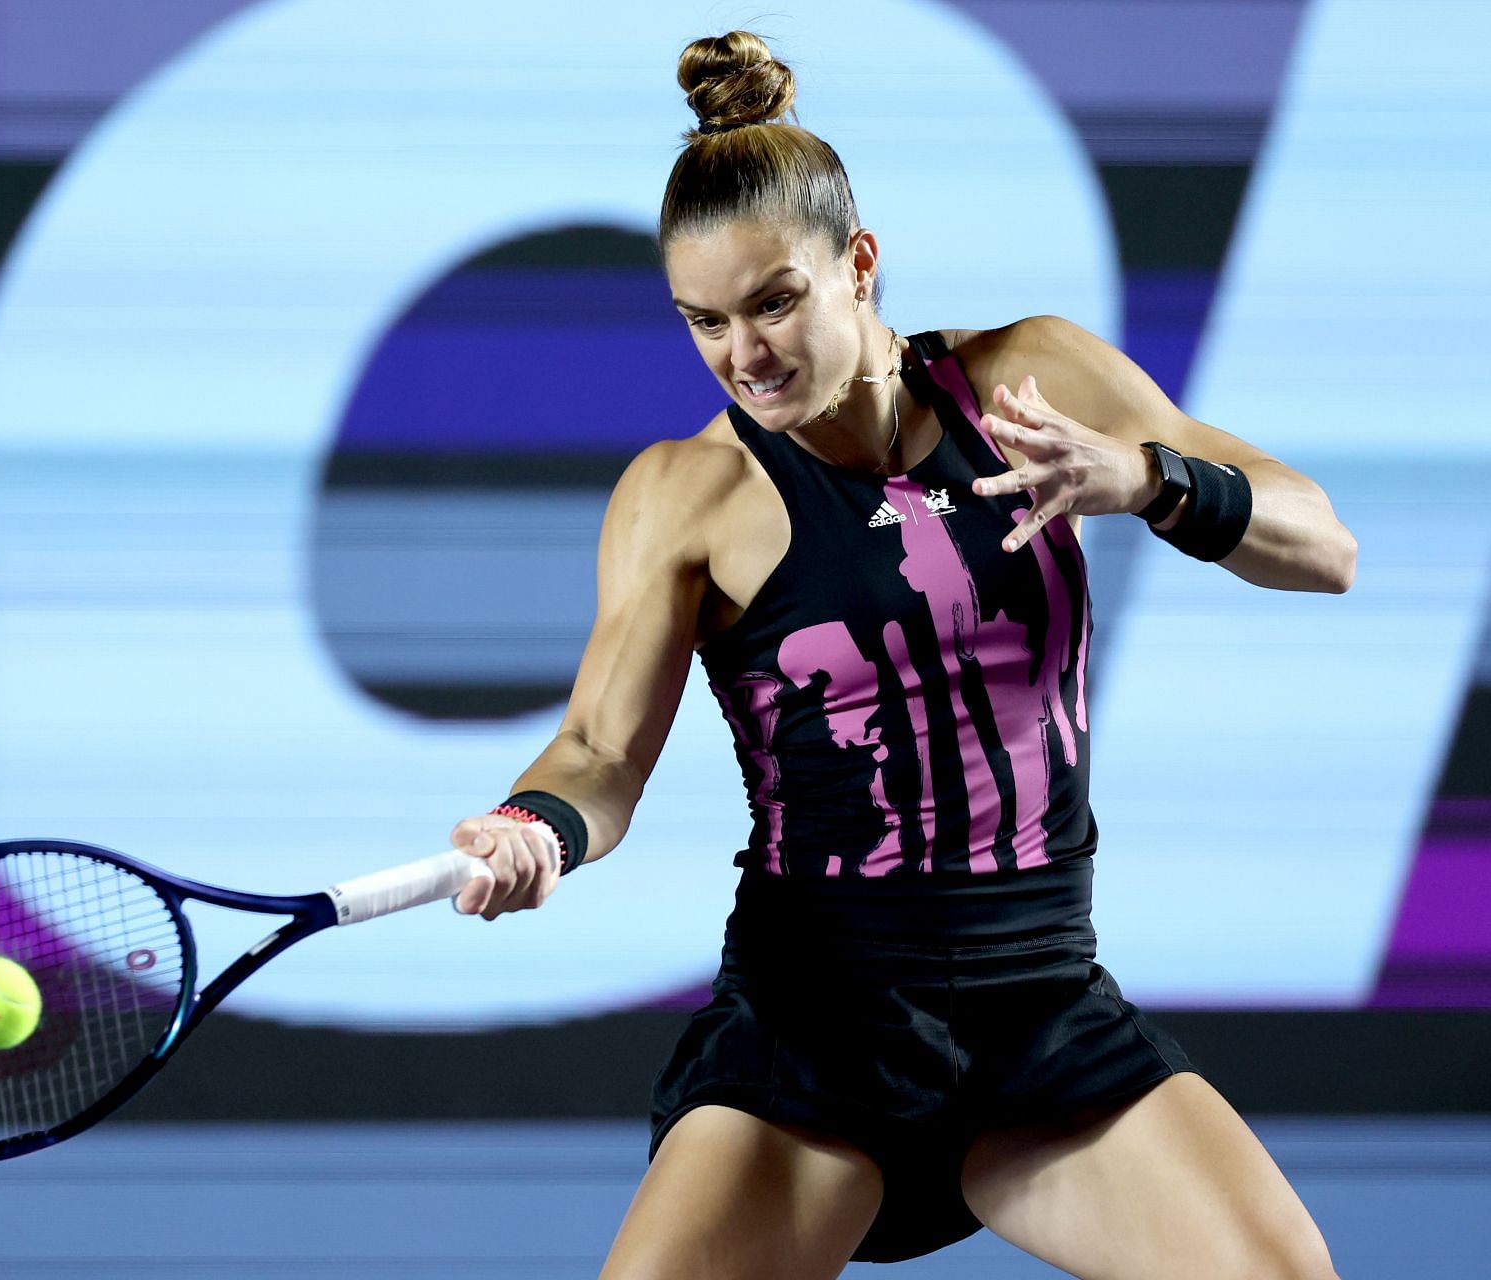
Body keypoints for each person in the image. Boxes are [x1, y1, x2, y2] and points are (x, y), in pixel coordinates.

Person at [447, 29, 1356, 1280]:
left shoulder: (1029, 378)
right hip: (815, 1031)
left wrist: (1144, 480)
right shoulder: (686, 493)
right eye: (703, 321)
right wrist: (536, 823)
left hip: (1042, 1011)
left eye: (774, 302)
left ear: (858, 265)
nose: (743, 355)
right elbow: (601, 747)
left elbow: (1324, 544)